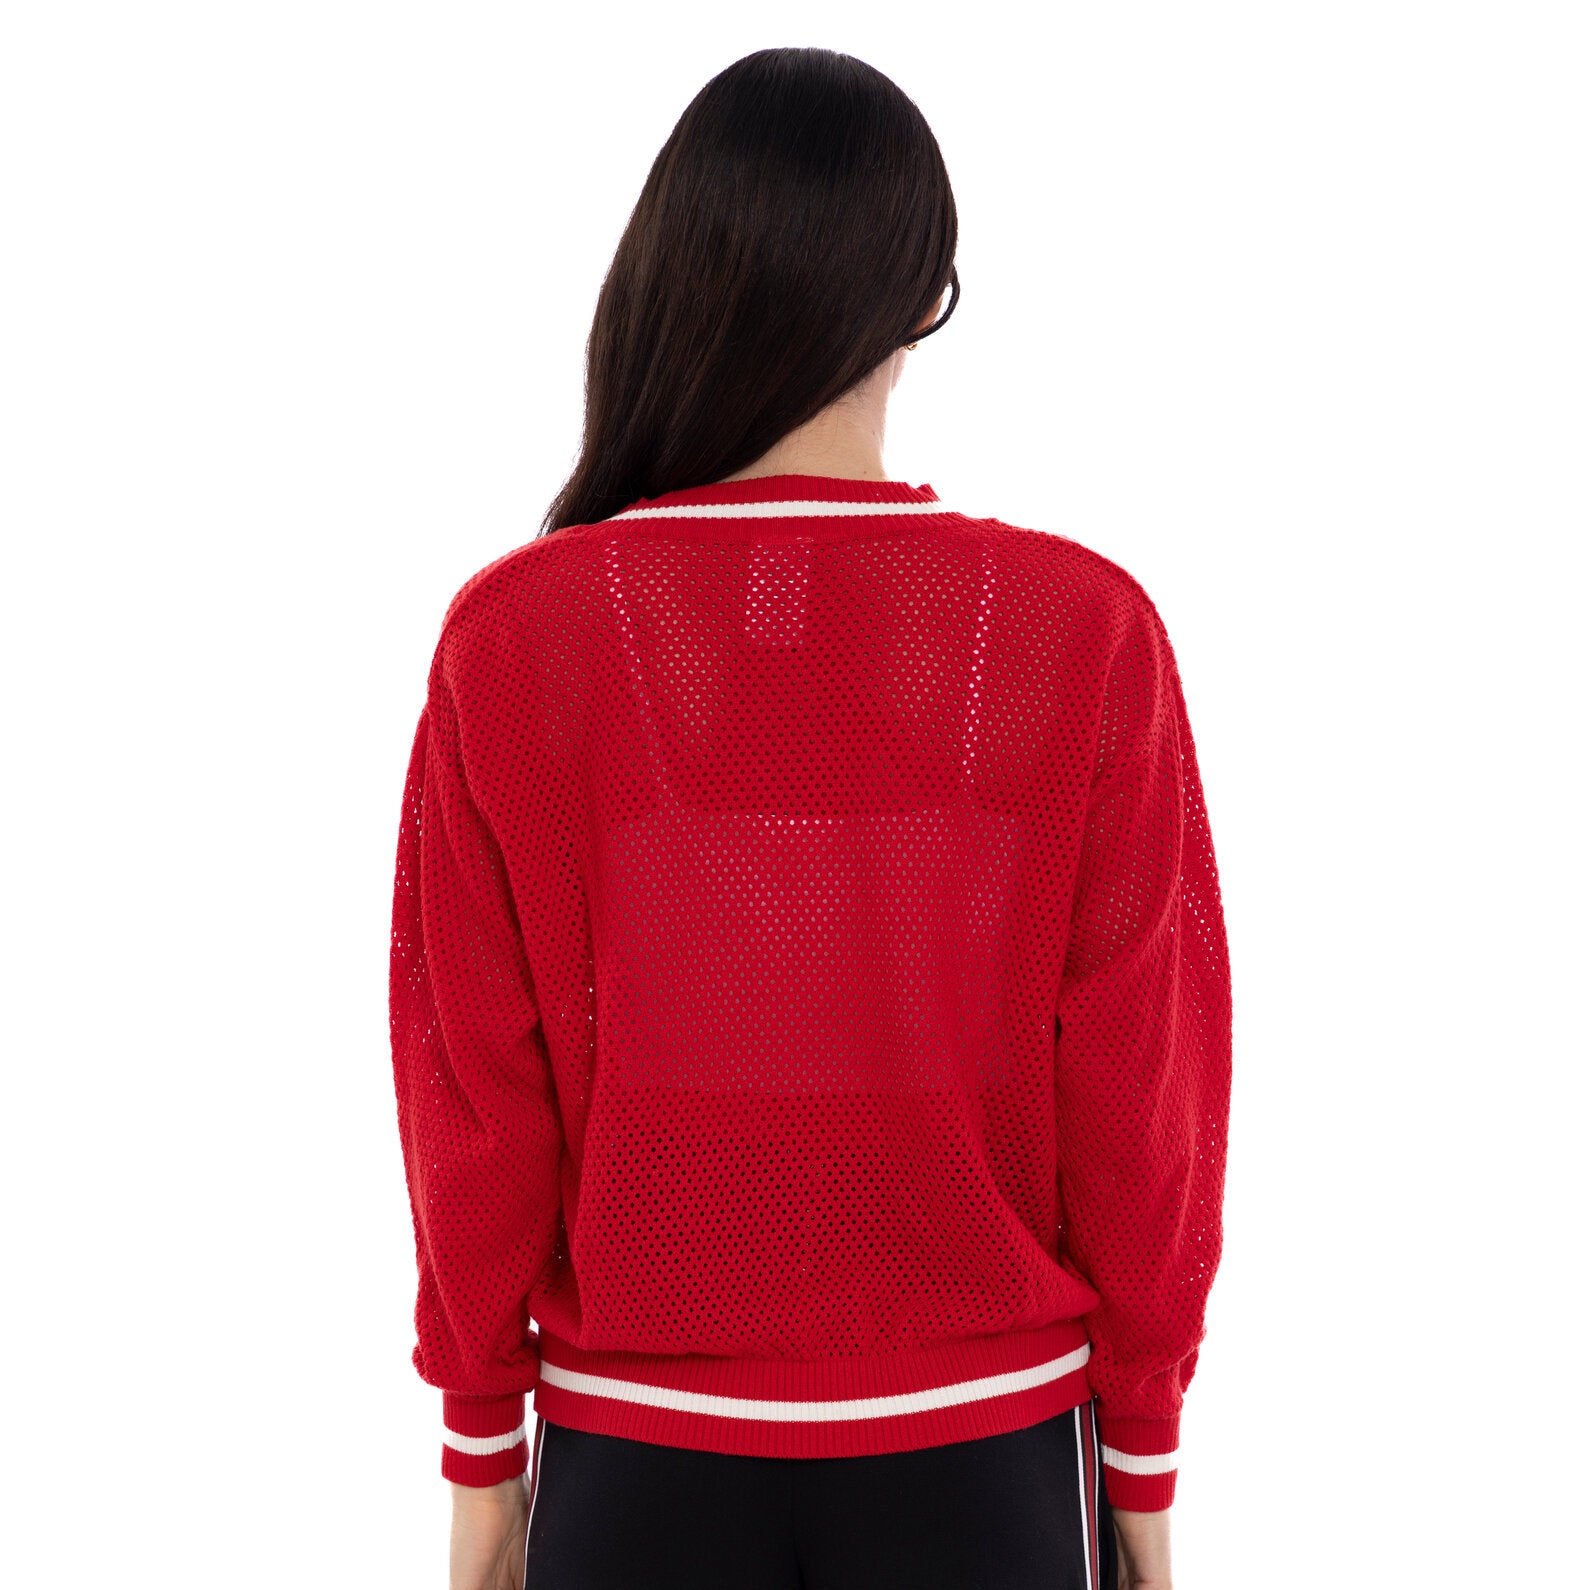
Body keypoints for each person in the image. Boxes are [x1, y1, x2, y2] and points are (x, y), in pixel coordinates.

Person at [388, 45, 1232, 1590]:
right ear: (923, 302)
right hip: (983, 1459)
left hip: (635, 1464)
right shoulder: (1079, 632)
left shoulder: (513, 639)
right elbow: (1141, 1095)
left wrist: (483, 1471)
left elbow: (475, 1096)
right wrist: (1143, 1468)